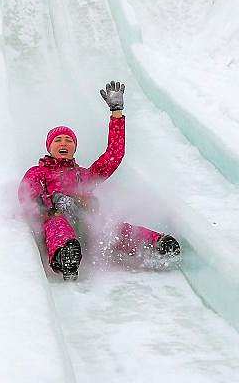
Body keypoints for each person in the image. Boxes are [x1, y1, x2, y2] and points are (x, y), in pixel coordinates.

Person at [19, 80, 180, 281]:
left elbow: (114, 155)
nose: (63, 143)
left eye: (68, 140)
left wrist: (117, 114)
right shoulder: (39, 172)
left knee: (109, 227)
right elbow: (28, 194)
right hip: (56, 225)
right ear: (49, 147)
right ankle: (66, 256)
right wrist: (49, 203)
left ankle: (155, 245)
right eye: (58, 140)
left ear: (74, 148)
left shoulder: (83, 175)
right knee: (57, 221)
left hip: (85, 226)